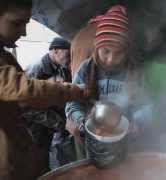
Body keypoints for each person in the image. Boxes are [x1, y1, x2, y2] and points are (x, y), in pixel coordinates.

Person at [0, 0, 89, 179]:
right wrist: (75, 92)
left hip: (20, 150)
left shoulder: (5, 56)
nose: (23, 32)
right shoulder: (36, 69)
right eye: (17, 23)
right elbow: (24, 92)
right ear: (54, 51)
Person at [65, 5, 152, 159]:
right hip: (88, 138)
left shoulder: (134, 72)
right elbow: (73, 102)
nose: (111, 59)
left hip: (123, 140)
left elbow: (146, 104)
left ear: (126, 51)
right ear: (97, 47)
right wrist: (79, 120)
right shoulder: (86, 68)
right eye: (106, 51)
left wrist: (138, 121)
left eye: (118, 53)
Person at [26, 37, 74, 170]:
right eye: (68, 54)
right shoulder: (36, 68)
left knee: (47, 155)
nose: (70, 58)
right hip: (36, 125)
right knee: (37, 157)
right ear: (55, 51)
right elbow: (27, 105)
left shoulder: (60, 67)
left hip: (50, 122)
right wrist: (56, 121)